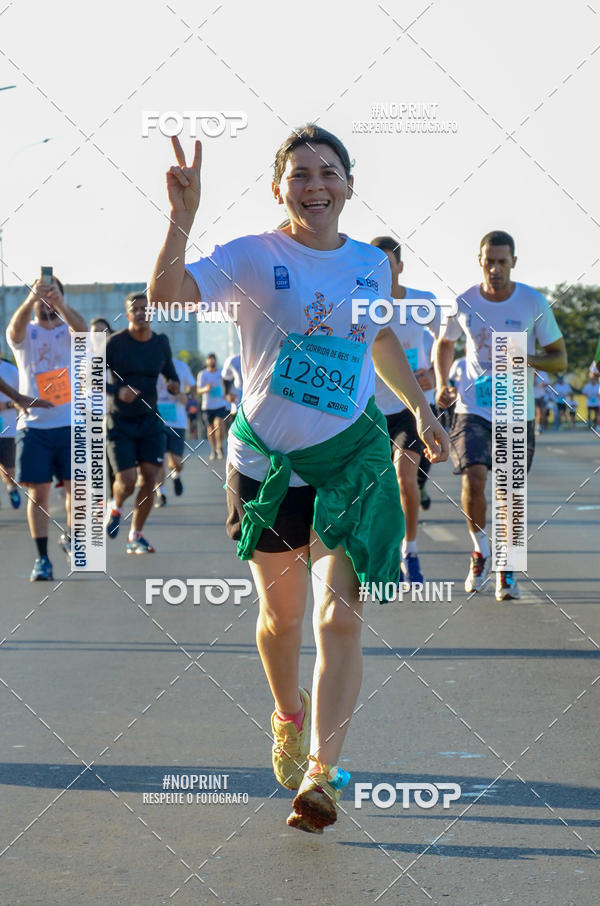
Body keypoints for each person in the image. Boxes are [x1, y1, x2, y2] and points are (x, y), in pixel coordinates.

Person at [148, 125, 449, 833]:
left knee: (336, 617)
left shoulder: (372, 266)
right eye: (301, 174)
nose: (317, 186)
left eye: (329, 172)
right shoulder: (254, 256)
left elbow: (376, 338)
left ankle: (323, 776)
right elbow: (168, 297)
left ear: (349, 183)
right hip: (269, 467)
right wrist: (181, 219)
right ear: (278, 188)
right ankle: (288, 714)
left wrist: (422, 409)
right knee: (281, 621)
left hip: (351, 460)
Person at [435, 230, 566, 602]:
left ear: (513, 262)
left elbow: (560, 357)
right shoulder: (463, 302)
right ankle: (480, 550)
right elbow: (445, 344)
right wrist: (444, 380)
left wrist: (529, 359)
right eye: (488, 261)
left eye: (502, 261)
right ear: (480, 260)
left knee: (509, 492)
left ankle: (507, 570)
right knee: (474, 479)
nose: (495, 268)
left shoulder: (532, 302)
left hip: (515, 406)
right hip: (473, 404)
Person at [6, 276, 87, 580]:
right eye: (41, 295)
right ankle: (42, 560)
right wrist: (30, 299)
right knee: (38, 495)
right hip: (35, 427)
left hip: (69, 424)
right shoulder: (26, 334)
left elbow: (85, 331)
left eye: (52, 294)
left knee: (76, 491)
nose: (46, 301)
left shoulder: (68, 331)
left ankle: (73, 537)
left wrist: (61, 304)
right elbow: (13, 331)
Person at [370, 235, 440, 584]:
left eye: (388, 263)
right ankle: (378, 552)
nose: (382, 271)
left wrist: (437, 376)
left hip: (410, 408)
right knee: (372, 491)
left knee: (404, 478)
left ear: (400, 266)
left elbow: (450, 337)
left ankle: (409, 552)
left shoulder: (421, 303)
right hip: (369, 410)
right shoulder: (360, 303)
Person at [104, 292, 179, 554]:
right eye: (135, 309)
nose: (141, 312)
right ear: (127, 315)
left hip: (149, 420)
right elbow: (88, 376)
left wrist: (173, 384)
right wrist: (117, 392)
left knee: (150, 476)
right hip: (120, 422)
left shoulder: (160, 343)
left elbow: (170, 373)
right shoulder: (114, 343)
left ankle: (135, 534)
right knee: (126, 480)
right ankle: (115, 506)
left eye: (145, 308)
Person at [154, 356, 195, 506]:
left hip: (178, 421)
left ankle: (176, 475)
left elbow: (191, 388)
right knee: (158, 461)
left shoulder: (181, 367)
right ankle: (161, 494)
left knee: (176, 461)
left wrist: (181, 394)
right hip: (156, 421)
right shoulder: (150, 365)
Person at [196, 353, 230, 459]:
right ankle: (213, 449)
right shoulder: (202, 374)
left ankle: (220, 447)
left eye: (213, 360)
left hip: (220, 404)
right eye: (209, 360)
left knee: (219, 425)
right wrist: (206, 389)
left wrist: (227, 394)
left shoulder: (221, 373)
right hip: (207, 406)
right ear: (206, 362)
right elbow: (198, 390)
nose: (212, 362)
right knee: (210, 429)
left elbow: (228, 384)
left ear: (215, 361)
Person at [533, 370, 550, 434]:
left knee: (542, 413)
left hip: (541, 396)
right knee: (537, 413)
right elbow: (532, 383)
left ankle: (539, 426)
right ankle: (535, 427)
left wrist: (543, 385)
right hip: (533, 396)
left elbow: (548, 383)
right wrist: (535, 376)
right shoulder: (531, 373)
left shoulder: (543, 373)